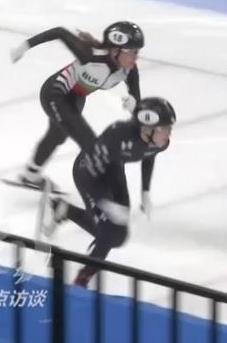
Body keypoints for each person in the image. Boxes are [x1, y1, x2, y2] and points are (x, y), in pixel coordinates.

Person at [43, 97, 175, 287]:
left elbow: (149, 153)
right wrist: (104, 202)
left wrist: (145, 191)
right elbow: (88, 175)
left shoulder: (160, 141)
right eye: (165, 129)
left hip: (113, 168)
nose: (169, 134)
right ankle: (82, 279)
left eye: (170, 128)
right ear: (148, 128)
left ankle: (64, 210)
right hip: (88, 172)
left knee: (118, 236)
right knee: (109, 232)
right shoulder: (118, 134)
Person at [9, 21, 144, 189]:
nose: (136, 58)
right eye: (132, 52)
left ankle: (30, 175)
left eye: (137, 52)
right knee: (90, 143)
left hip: (77, 99)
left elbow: (137, 103)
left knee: (56, 136)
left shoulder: (129, 70)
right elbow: (59, 32)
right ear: (115, 50)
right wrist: (24, 46)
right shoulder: (90, 56)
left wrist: (134, 105)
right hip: (55, 93)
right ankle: (99, 192)